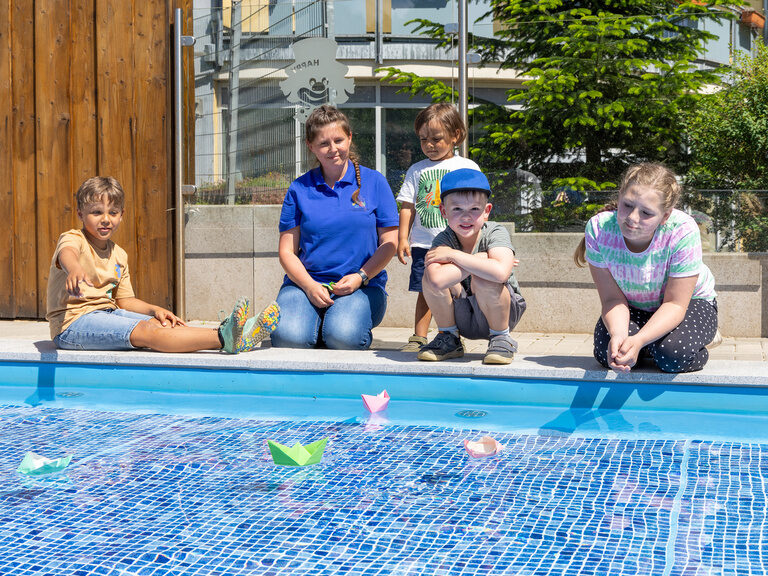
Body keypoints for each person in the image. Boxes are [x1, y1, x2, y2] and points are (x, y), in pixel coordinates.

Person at [47, 176, 279, 353]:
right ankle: (225, 338)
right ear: (80, 213)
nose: (106, 219)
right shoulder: (73, 238)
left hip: (108, 313)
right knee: (148, 332)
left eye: (113, 212)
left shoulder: (119, 254)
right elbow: (67, 254)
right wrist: (75, 269)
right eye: (97, 212)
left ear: (122, 215)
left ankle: (242, 331)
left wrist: (155, 310)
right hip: (72, 325)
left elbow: (124, 301)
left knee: (162, 323)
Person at [271, 105, 399, 349]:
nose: (333, 149)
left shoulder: (375, 182)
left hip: (362, 287)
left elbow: (389, 244)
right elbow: (287, 251)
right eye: (323, 144)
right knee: (288, 338)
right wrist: (309, 286)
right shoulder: (299, 189)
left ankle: (329, 329)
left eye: (338, 140)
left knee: (343, 337)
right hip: (304, 286)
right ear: (310, 146)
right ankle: (316, 327)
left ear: (349, 137)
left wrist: (360, 277)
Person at [574, 163, 718, 373]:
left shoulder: (682, 230)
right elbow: (612, 299)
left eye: (646, 213)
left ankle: (673, 344)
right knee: (610, 354)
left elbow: (675, 304)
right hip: (634, 306)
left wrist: (640, 339)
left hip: (689, 304)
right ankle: (651, 344)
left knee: (672, 356)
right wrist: (619, 336)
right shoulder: (598, 229)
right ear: (620, 196)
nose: (632, 218)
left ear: (665, 216)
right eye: (627, 205)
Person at [417, 168, 526, 365]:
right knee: (428, 276)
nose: (466, 217)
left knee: (485, 279)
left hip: (502, 312)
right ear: (444, 211)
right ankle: (449, 337)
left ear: (487, 211)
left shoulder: (495, 232)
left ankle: (501, 338)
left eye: (474, 209)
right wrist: (482, 260)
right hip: (462, 313)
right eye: (457, 209)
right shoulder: (444, 239)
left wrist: (454, 256)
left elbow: (500, 273)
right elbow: (436, 280)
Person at [396, 103, 480, 352]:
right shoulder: (416, 170)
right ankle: (419, 337)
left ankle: (451, 335)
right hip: (424, 244)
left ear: (455, 135)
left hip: (458, 244)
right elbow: (407, 205)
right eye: (423, 139)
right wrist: (403, 238)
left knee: (456, 291)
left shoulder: (467, 167)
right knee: (426, 289)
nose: (429, 144)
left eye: (436, 138)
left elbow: (478, 205)